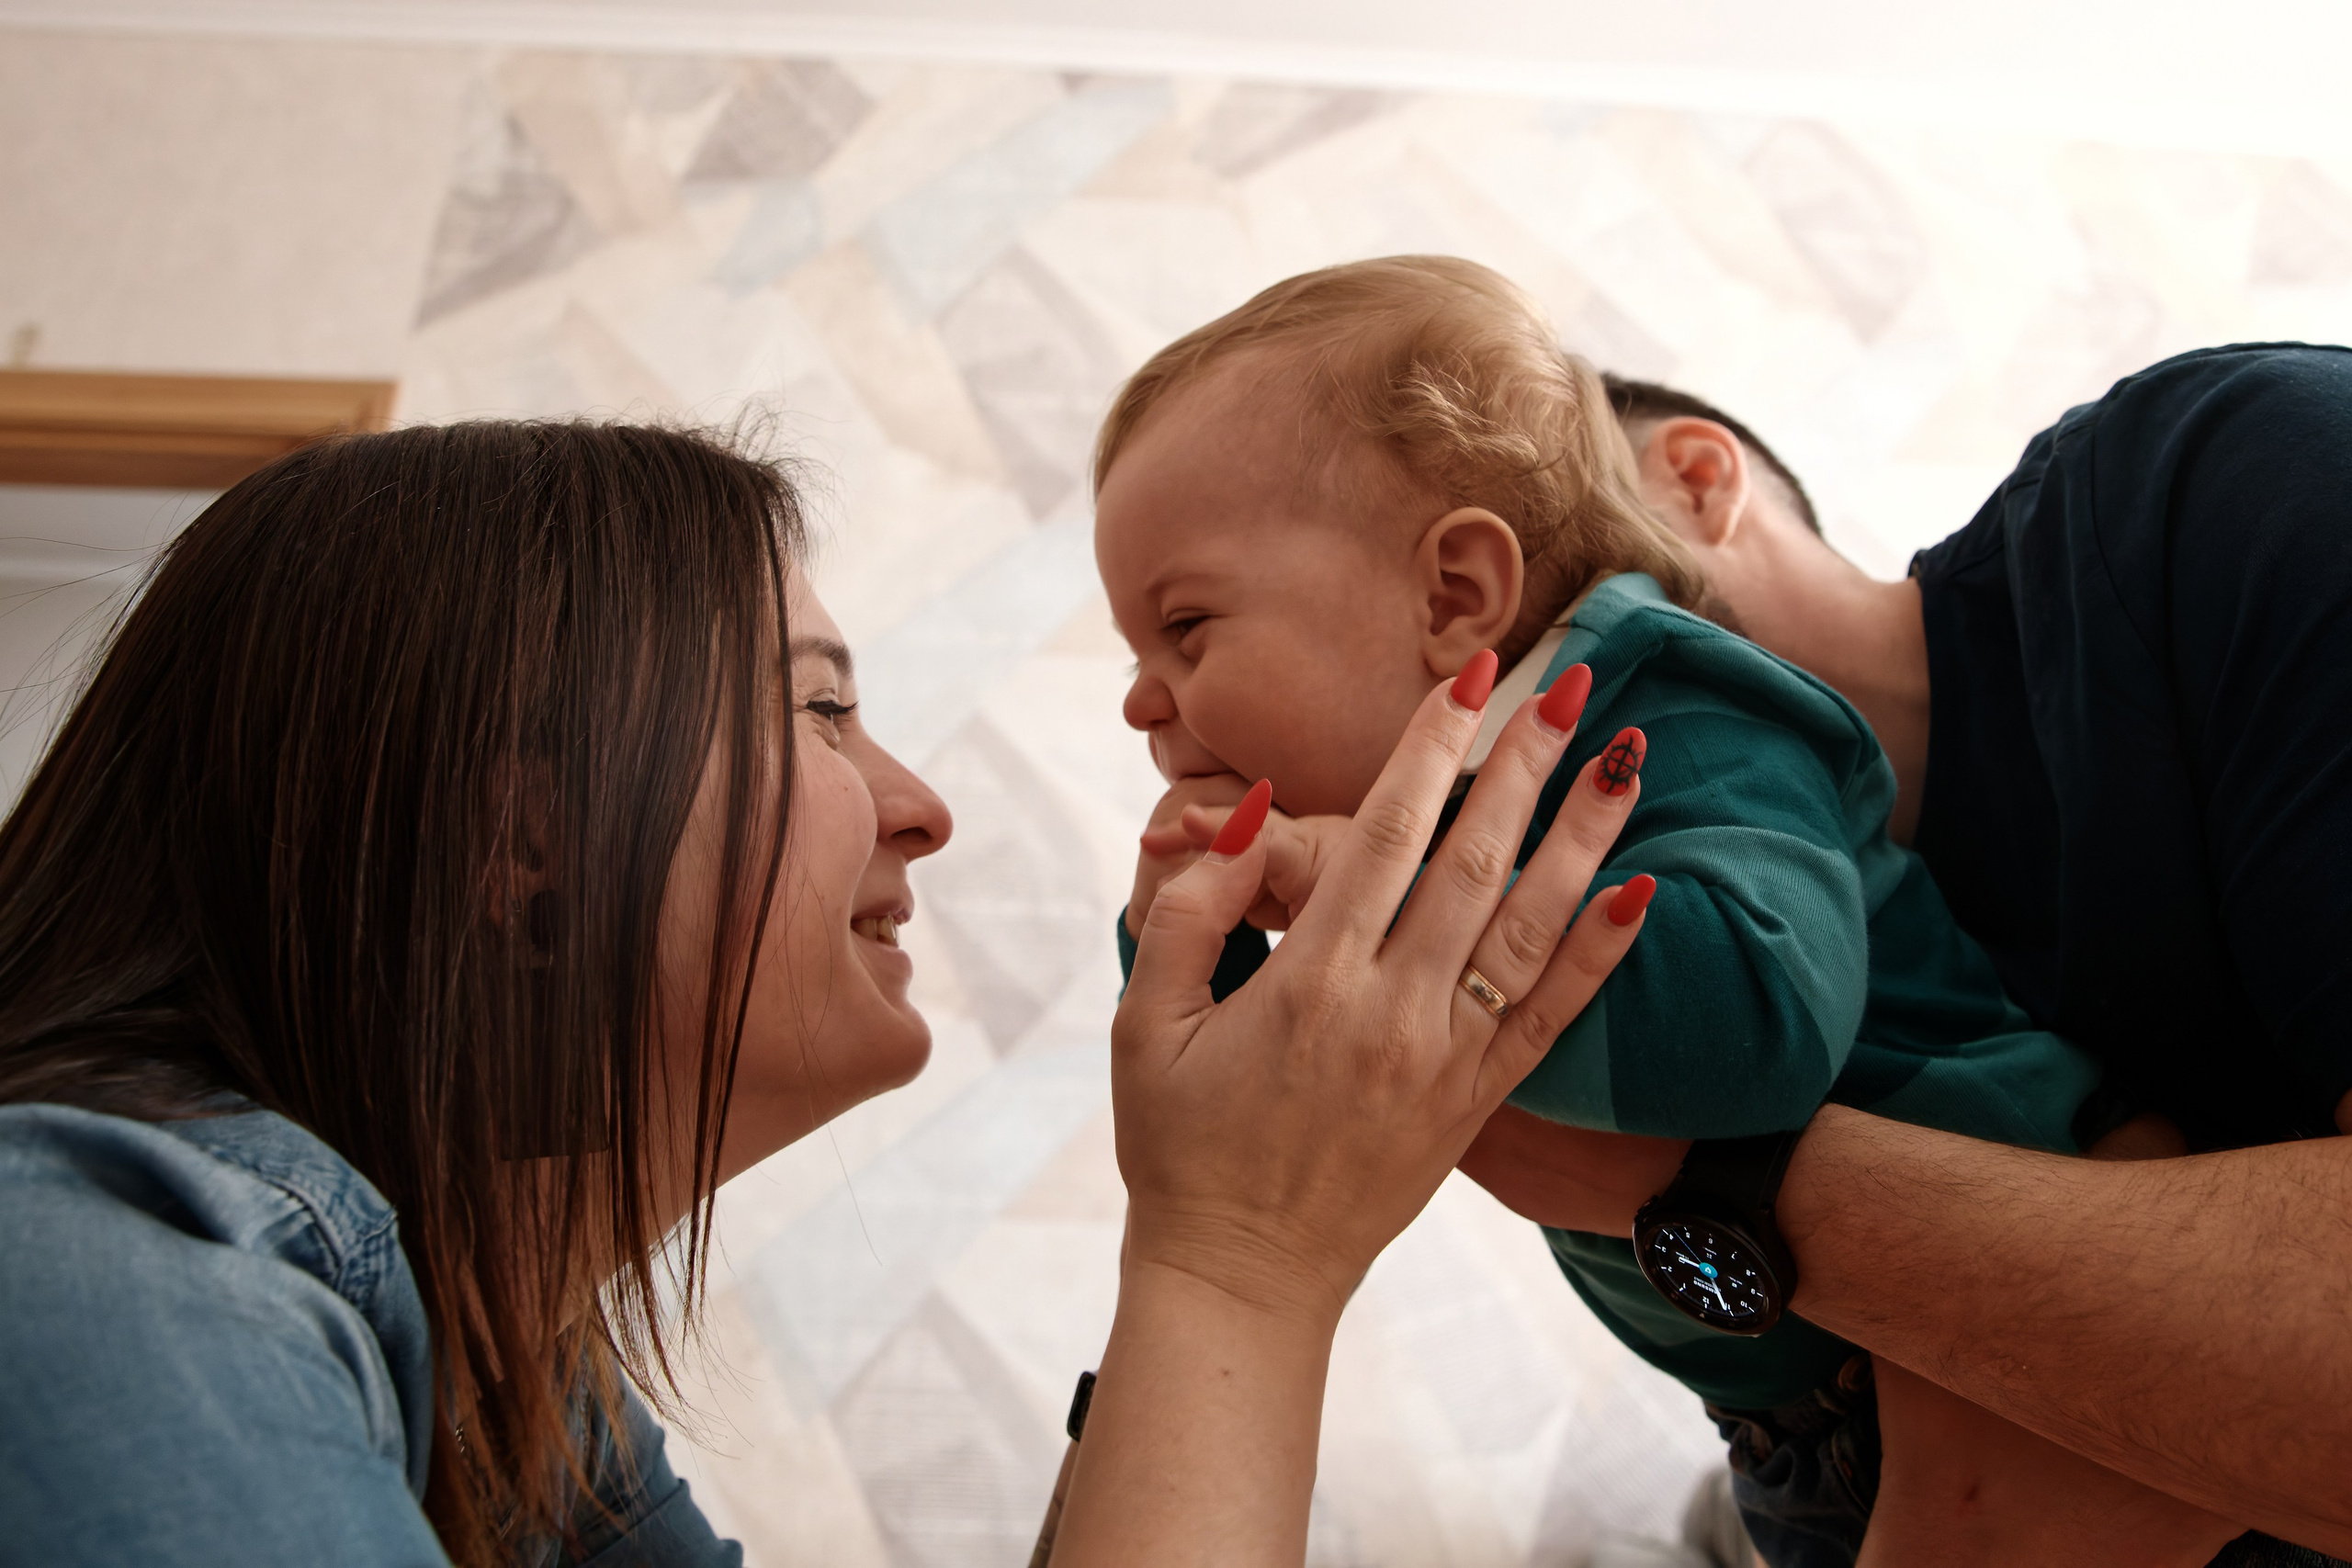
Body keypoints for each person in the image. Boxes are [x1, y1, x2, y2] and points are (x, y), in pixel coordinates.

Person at [0, 419, 1654, 1566]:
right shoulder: (94, 1266)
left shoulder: (527, 1416)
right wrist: (1240, 1267)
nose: (922, 802)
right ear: (519, 835)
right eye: (820, 710)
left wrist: (1203, 1242)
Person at [1091, 254, 2240, 1568]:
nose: (1141, 698)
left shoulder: (1681, 710)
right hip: (1787, 1400)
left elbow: (1762, 1020)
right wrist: (1191, 941)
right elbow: (1257, 1106)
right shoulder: (1430, 826)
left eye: (1185, 627)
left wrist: (1371, 880)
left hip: (1996, 1362)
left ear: (1454, 595)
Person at [1461, 353, 2352, 1568]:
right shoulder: (1641, 932)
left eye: (1476, 587)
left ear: (1691, 479)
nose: (1448, 697)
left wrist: (1713, 1187)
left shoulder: (2227, 489)